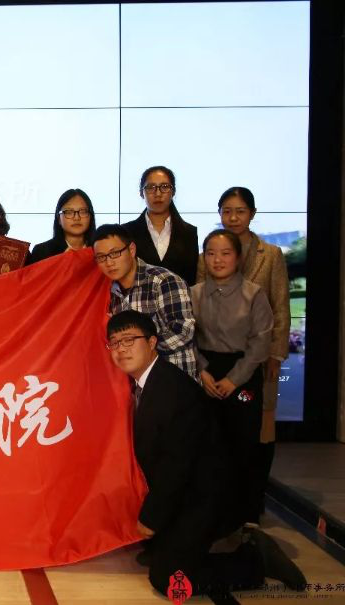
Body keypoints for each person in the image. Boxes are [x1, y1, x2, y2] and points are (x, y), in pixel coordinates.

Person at [107, 310, 304, 598]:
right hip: (188, 493)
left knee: (167, 579)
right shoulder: (148, 382)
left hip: (209, 497)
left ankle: (254, 561)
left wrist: (151, 516)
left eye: (129, 340)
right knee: (154, 552)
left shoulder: (172, 390)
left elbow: (176, 464)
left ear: (151, 342)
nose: (121, 349)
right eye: (114, 342)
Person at [198, 187, 291, 525]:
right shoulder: (204, 267)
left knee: (258, 432)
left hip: (257, 358)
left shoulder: (271, 254)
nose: (233, 217)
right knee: (215, 436)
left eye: (240, 211)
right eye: (227, 211)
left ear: (252, 213)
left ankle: (252, 502)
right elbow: (197, 317)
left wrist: (275, 353)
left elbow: (280, 306)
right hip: (212, 357)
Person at [193, 229, 274, 528]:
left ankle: (246, 514)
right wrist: (202, 370)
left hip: (243, 374)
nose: (218, 259)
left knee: (243, 443)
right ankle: (211, 512)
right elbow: (188, 338)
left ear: (238, 258)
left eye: (225, 253)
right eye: (211, 253)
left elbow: (261, 343)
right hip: (205, 372)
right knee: (208, 444)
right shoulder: (194, 293)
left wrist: (234, 380)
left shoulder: (254, 294)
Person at [93, 224, 198, 380]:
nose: (109, 263)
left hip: (174, 377)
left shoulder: (164, 281)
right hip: (137, 382)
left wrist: (141, 351)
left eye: (114, 253)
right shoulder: (109, 292)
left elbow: (183, 330)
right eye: (101, 257)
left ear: (131, 249)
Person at [122, 166, 199, 285]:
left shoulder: (189, 232)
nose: (158, 193)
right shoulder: (126, 232)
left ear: (173, 192)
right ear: (141, 193)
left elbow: (191, 280)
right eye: (151, 187)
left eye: (164, 187)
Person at [27, 188, 97, 265]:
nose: (76, 217)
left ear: (91, 216)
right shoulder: (42, 252)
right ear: (59, 219)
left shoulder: (100, 250)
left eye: (83, 211)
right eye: (69, 212)